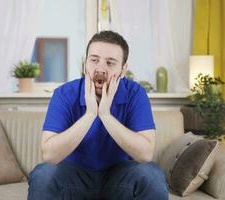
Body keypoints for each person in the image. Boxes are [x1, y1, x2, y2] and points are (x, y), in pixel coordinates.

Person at [27, 31, 168, 200]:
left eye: (110, 63)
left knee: (152, 174)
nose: (100, 69)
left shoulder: (135, 94)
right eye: (94, 60)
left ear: (123, 70)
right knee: (43, 174)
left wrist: (106, 115)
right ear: (85, 64)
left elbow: (145, 154)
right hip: (74, 178)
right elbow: (49, 155)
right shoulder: (64, 94)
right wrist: (91, 113)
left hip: (120, 178)